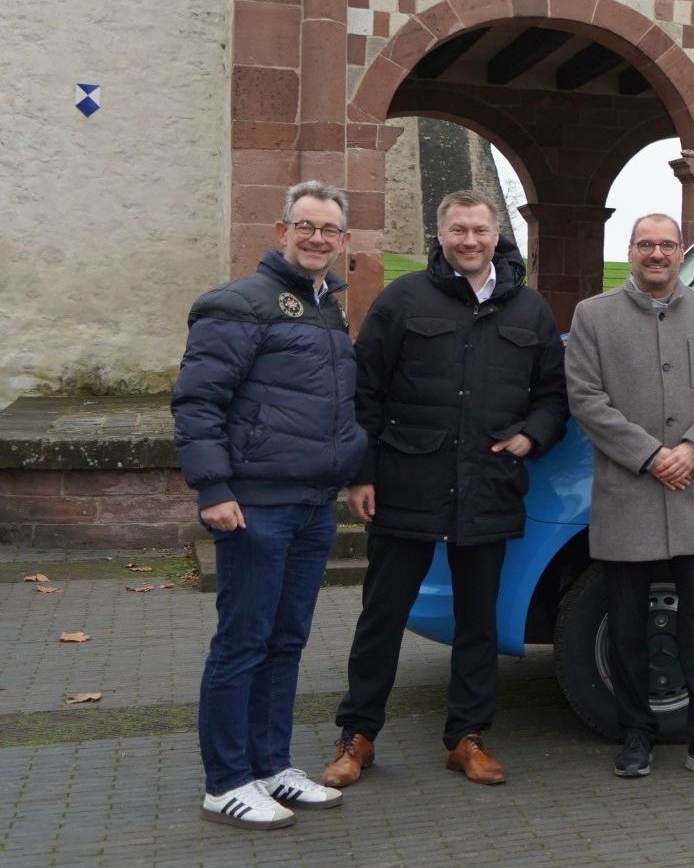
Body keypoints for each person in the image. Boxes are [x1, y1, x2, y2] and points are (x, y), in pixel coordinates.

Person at [320, 191, 567, 788]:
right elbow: (365, 391)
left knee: (478, 621)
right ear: (441, 235)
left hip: (488, 485)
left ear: (495, 234)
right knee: (381, 618)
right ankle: (357, 735)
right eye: (458, 230)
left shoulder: (529, 309)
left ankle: (466, 737)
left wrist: (531, 437)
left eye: (479, 230)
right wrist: (361, 474)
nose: (470, 241)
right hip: (406, 485)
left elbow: (554, 395)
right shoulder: (402, 299)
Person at [173, 180, 368, 828]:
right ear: (282, 231)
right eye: (305, 225)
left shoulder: (326, 309)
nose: (317, 238)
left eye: (329, 229)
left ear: (342, 240)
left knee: (285, 642)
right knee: (243, 643)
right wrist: (213, 489)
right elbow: (198, 402)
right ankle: (226, 780)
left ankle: (271, 765)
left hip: (312, 505)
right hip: (256, 506)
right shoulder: (237, 304)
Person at [565, 212, 694, 782]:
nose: (657, 254)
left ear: (681, 252)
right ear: (630, 251)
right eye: (646, 244)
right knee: (627, 626)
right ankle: (636, 735)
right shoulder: (592, 316)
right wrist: (650, 456)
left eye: (667, 245)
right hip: (628, 492)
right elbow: (585, 399)